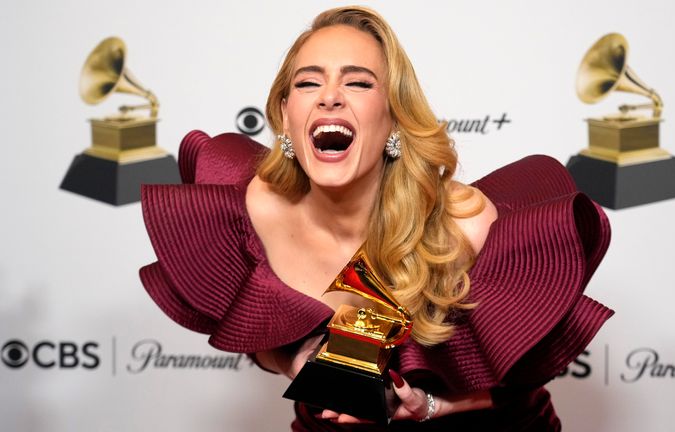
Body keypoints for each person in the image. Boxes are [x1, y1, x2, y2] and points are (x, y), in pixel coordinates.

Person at [139, 6, 612, 431]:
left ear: (392, 116)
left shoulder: (458, 222)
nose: (330, 97)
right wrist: (295, 360)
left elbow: (522, 374)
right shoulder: (251, 209)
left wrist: (430, 405)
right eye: (308, 82)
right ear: (286, 115)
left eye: (359, 82)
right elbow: (251, 323)